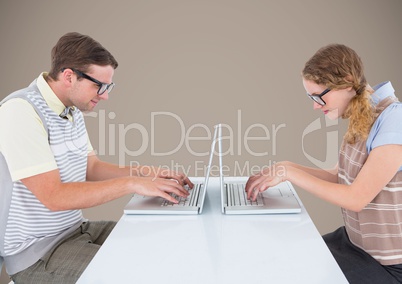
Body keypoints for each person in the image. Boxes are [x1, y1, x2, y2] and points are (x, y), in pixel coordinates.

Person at [0, 32, 193, 283]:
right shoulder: (20, 111)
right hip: (38, 254)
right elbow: (53, 197)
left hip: (75, 230)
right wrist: (131, 184)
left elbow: (91, 167)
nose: (105, 95)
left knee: (159, 243)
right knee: (140, 273)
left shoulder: (70, 110)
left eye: (108, 86)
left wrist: (147, 173)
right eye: (98, 85)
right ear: (69, 76)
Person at [245, 44, 402, 283]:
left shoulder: (394, 119)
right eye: (311, 97)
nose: (316, 106)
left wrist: (290, 174)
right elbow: (341, 176)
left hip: (387, 265)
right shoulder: (363, 116)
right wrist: (287, 167)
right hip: (352, 243)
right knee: (279, 259)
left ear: (348, 82)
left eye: (319, 96)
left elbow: (356, 198)